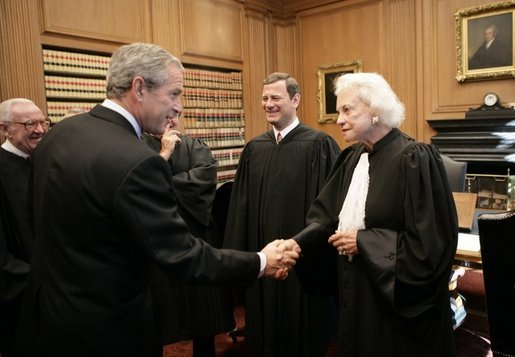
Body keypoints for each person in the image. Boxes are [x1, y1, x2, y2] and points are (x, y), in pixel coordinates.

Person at [14, 43, 300, 357]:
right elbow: (182, 256)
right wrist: (262, 260)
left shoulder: (59, 134)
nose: (179, 107)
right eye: (174, 93)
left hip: (47, 322)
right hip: (106, 333)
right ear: (139, 87)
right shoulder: (136, 160)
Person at [289, 72, 458, 356]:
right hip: (356, 295)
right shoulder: (351, 158)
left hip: (396, 312)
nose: (338, 119)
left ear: (376, 111)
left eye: (347, 110)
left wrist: (364, 242)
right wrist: (296, 243)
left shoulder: (415, 159)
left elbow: (431, 247)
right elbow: (325, 217)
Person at [223, 72, 341, 356]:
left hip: (303, 263)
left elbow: (331, 210)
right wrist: (239, 261)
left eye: (275, 97)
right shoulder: (254, 148)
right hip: (264, 258)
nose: (268, 104)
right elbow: (241, 209)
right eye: (264, 98)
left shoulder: (319, 145)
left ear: (295, 99)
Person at [144, 117, 234, 356]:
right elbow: (135, 187)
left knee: (202, 311)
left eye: (175, 113)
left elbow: (204, 179)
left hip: (194, 234)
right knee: (156, 316)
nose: (171, 118)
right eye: (165, 113)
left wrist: (160, 187)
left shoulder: (194, 145)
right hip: (154, 241)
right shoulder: (136, 146)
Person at [0, 98, 49, 357]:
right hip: (21, 294)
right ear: (5, 129)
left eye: (43, 122)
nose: (40, 130)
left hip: (55, 292)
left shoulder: (48, 163)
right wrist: (35, 279)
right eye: (30, 124)